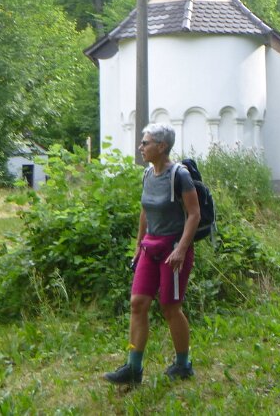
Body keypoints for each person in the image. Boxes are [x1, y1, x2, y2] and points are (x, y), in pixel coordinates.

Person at [103, 123, 200, 385]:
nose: (140, 147)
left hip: (173, 250)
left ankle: (183, 365)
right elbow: (145, 211)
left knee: (170, 307)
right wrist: (138, 245)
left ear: (162, 146)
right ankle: (133, 368)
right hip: (150, 247)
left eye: (145, 143)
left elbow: (194, 214)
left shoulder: (179, 176)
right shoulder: (147, 174)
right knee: (138, 303)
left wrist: (181, 249)